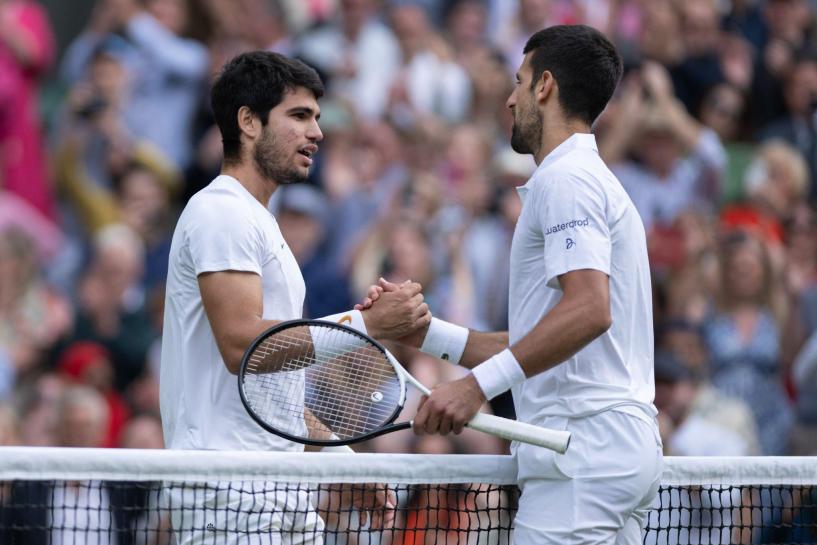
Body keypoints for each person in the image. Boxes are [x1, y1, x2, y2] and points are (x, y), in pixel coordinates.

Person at [360, 25, 662, 544]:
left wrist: (475, 387)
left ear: (544, 87)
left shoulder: (567, 179)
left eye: (518, 82)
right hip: (609, 452)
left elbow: (590, 311)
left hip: (581, 459)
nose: (509, 97)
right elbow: (542, 342)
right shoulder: (587, 178)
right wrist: (425, 335)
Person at [159, 51, 430, 545]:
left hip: (281, 495)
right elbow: (243, 347)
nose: (317, 133)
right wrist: (368, 326)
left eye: (317, 118)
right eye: (299, 116)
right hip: (228, 497)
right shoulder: (222, 212)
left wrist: (339, 461)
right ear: (248, 122)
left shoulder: (260, 222)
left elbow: (274, 395)